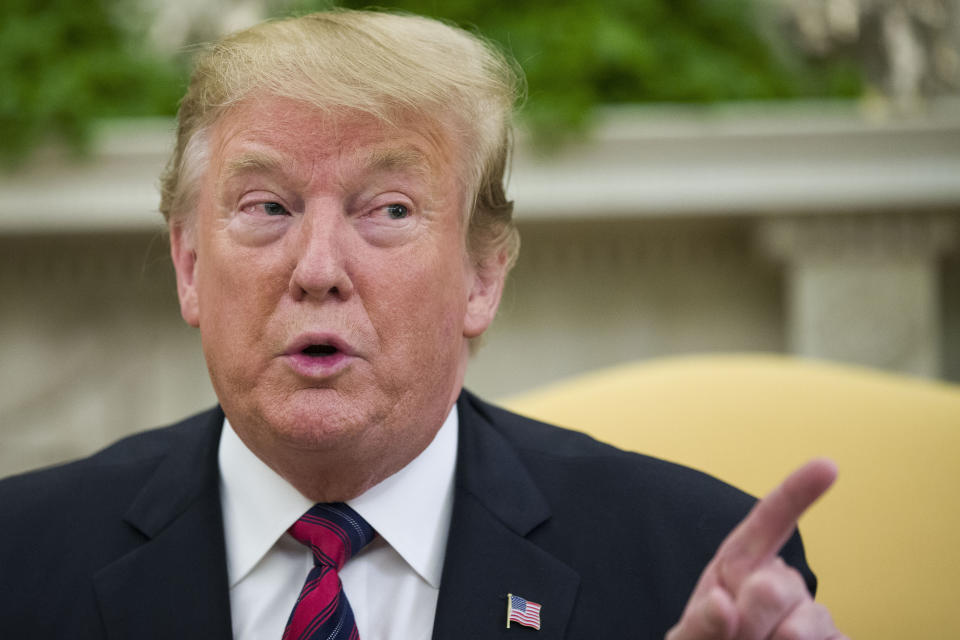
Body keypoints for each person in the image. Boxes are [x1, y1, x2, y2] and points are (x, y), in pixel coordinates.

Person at [0, 9, 846, 640]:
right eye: (267, 206)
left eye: (390, 209)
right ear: (189, 266)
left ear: (483, 275)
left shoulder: (687, 563)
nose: (318, 268)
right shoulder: (21, 562)